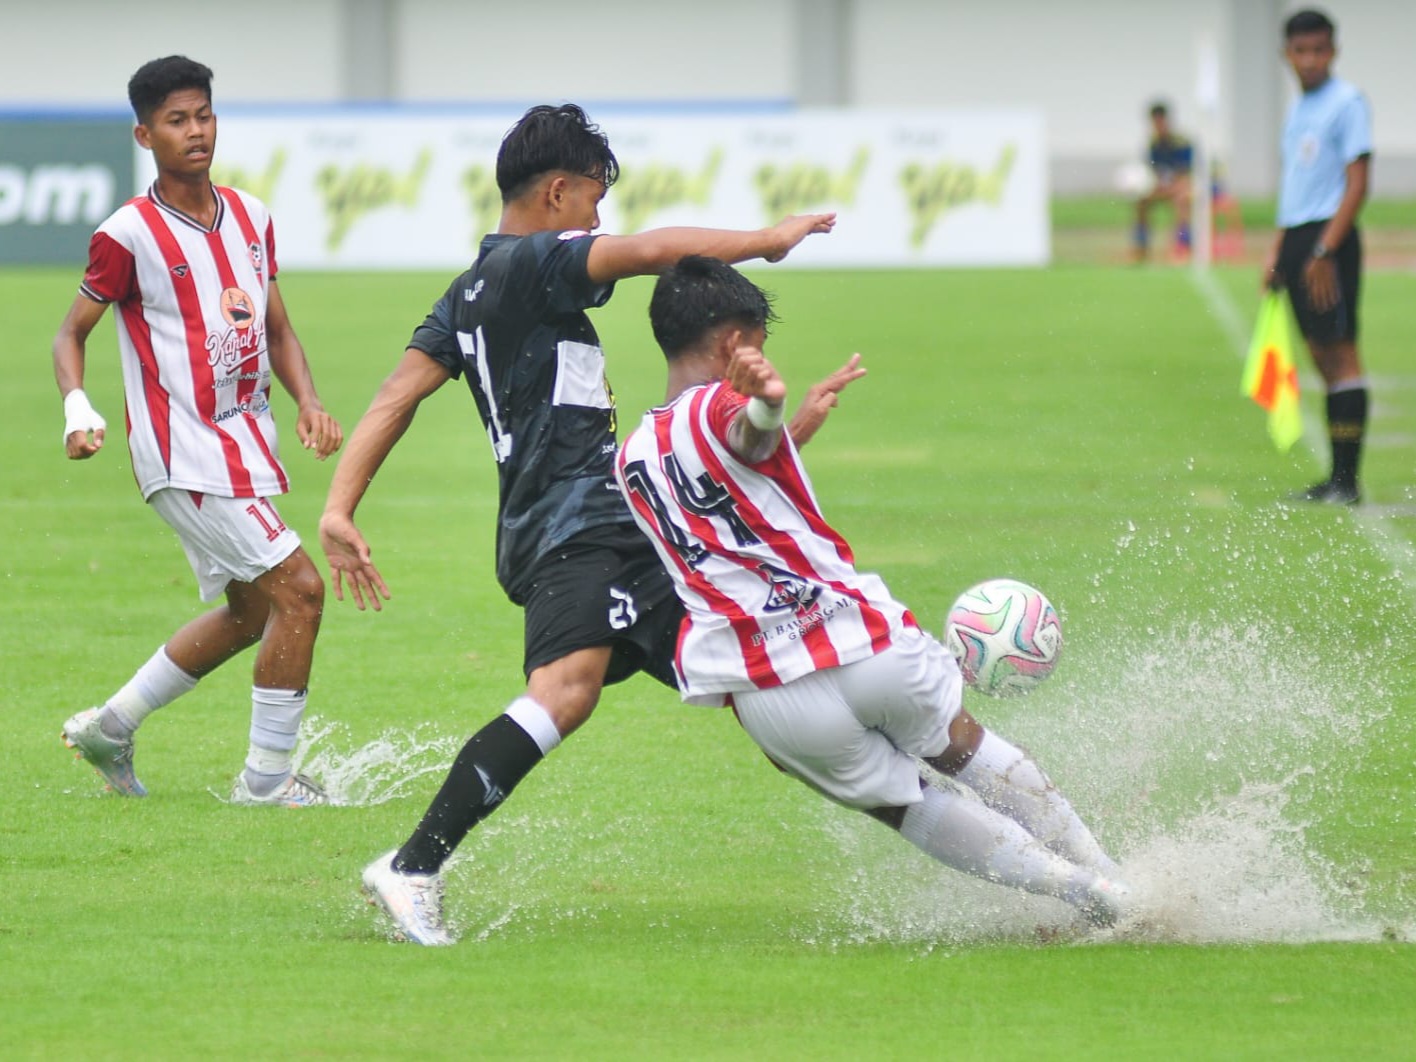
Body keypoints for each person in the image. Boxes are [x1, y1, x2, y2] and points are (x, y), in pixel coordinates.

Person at [320, 103, 851, 944]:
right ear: (557, 192)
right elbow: (649, 251)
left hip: (608, 530)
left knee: (753, 677)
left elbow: (395, 396)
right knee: (566, 692)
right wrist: (765, 240)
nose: (599, 221)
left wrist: (338, 506)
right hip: (577, 531)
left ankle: (919, 787)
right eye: (595, 199)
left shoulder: (467, 292)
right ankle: (412, 867)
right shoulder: (537, 262)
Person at [616, 255, 1134, 927]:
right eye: (760, 345)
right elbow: (744, 433)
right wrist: (769, 403)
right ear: (732, 344)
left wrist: (789, 426)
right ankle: (1114, 877)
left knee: (906, 807)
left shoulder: (631, 457)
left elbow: (728, 485)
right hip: (853, 640)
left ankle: (1082, 893)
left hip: (768, 693)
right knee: (964, 746)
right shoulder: (723, 405)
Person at [54, 56, 342, 806]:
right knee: (301, 591)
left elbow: (276, 327)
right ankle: (267, 781)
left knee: (253, 611)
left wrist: (308, 400)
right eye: (176, 120)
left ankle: (110, 727)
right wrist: (77, 405)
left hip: (243, 443)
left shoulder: (251, 217)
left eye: (204, 115)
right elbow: (70, 333)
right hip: (181, 453)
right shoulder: (127, 234)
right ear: (145, 134)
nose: (196, 132)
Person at [1265, 8, 1373, 505]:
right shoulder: (1298, 109)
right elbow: (1296, 185)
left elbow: (1358, 183)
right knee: (1319, 354)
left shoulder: (1347, 103)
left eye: (1319, 50)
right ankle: (1334, 477)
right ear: (1286, 54)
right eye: (1301, 51)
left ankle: (1347, 482)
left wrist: (1325, 249)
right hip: (1297, 240)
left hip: (1327, 241)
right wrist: (1278, 250)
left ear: (1334, 52)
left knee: (1341, 353)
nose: (1310, 60)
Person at [1132, 101, 1193, 262]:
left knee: (1182, 200)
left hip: (1184, 187)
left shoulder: (1181, 143)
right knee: (1141, 201)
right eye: (1155, 123)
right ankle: (1141, 248)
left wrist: (1170, 187)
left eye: (1160, 122)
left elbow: (1185, 176)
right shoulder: (1153, 144)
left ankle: (1183, 246)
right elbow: (1155, 172)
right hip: (1166, 187)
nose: (1157, 126)